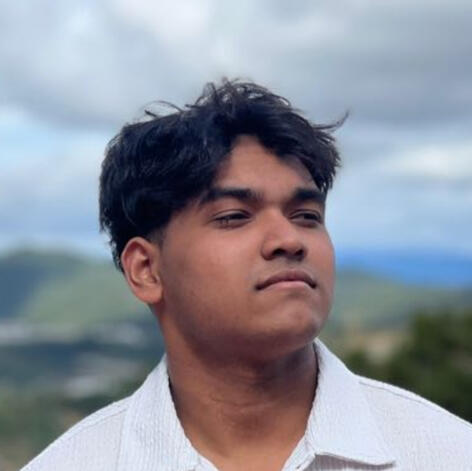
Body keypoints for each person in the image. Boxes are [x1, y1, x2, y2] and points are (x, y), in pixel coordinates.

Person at [22, 80, 471, 471]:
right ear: (146, 269)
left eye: (307, 215)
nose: (288, 239)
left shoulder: (446, 453)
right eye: (234, 216)